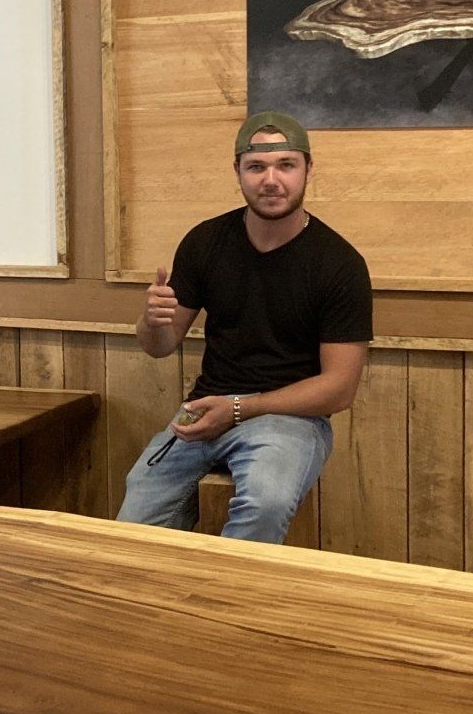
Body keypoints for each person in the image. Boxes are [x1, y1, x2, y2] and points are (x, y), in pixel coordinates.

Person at [118, 111, 372, 542]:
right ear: (237, 171)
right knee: (133, 522)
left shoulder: (339, 264)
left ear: (308, 169)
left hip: (292, 417)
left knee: (265, 502)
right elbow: (160, 346)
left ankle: (226, 604)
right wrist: (150, 320)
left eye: (286, 165)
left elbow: (340, 389)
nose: (271, 179)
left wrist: (239, 408)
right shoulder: (205, 241)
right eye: (256, 167)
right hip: (203, 406)